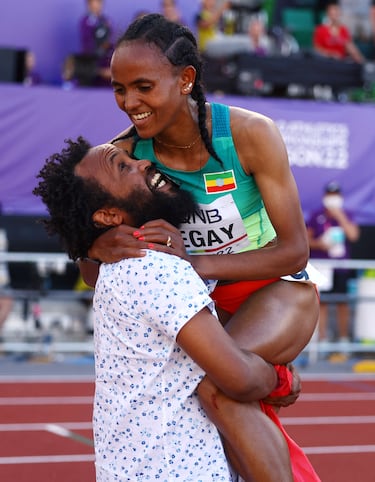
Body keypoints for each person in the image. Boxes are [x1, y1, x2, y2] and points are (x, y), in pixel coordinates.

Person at [83, 13, 321, 480]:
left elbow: (295, 251)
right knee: (202, 401)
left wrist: (194, 261)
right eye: (119, 88)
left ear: (186, 79)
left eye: (143, 87)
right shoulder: (125, 155)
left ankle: (280, 383)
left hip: (272, 290)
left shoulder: (251, 134)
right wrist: (97, 250)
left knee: (216, 387)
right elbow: (94, 267)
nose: (129, 102)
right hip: (198, 305)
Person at [33, 138, 309, 481]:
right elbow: (239, 378)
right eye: (124, 167)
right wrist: (279, 379)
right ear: (107, 215)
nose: (144, 163)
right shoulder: (155, 266)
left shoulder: (120, 265)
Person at [306, 181, 360, 348]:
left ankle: (343, 340)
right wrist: (319, 244)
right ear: (325, 197)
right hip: (322, 267)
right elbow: (306, 240)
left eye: (335, 195)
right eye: (330, 195)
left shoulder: (346, 215)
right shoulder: (317, 216)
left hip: (341, 267)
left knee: (342, 302)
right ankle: (322, 340)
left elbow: (353, 236)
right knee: (322, 302)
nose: (333, 198)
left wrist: (339, 215)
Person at [78, 0, 114, 85]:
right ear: (88, 5)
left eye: (98, 3)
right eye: (92, 3)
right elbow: (87, 43)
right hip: (90, 62)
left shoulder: (107, 21)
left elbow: (110, 42)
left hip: (105, 62)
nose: (96, 6)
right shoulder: (84, 21)